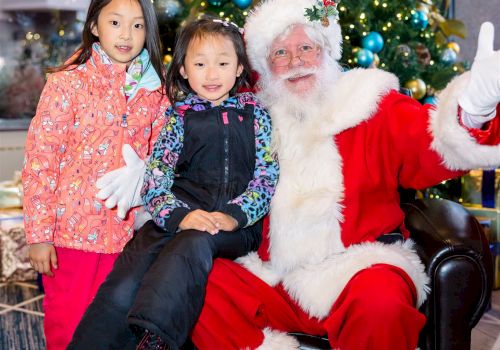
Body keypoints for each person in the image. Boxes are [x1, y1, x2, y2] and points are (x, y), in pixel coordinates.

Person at [186, 0, 500, 349]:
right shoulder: (245, 118)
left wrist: (473, 110)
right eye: (280, 53)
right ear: (264, 65)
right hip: (271, 276)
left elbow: (433, 143)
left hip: (358, 269)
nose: (295, 63)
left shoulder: (370, 103)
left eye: (306, 47)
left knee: (382, 304)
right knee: (194, 281)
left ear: (327, 49)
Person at [68, 16, 279, 350]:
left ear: (239, 67)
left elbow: (266, 180)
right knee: (134, 261)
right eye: (200, 64)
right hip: (179, 211)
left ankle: (155, 337)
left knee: (192, 243)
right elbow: (156, 179)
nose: (212, 74)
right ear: (183, 69)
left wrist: (233, 216)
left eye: (223, 63)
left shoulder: (258, 117)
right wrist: (180, 215)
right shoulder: (178, 117)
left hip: (236, 223)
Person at [21, 0, 168, 349]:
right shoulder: (68, 84)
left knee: (119, 326)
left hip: (128, 236)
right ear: (94, 27)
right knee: (70, 323)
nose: (127, 35)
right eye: (116, 22)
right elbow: (41, 158)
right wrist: (38, 234)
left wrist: (148, 175)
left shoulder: (154, 90)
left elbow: (167, 154)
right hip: (71, 233)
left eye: (137, 25)